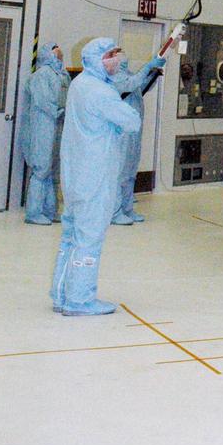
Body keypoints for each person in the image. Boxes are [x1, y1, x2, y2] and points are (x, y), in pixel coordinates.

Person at [50, 38, 140, 316]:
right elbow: (132, 122)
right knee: (89, 238)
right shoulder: (101, 92)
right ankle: (79, 300)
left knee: (71, 236)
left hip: (75, 174)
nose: (116, 59)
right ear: (97, 58)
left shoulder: (79, 84)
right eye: (111, 55)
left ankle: (61, 294)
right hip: (95, 174)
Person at [110, 52, 165, 224]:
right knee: (119, 173)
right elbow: (131, 84)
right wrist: (147, 66)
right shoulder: (114, 78)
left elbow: (140, 87)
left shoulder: (129, 75)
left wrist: (153, 74)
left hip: (134, 131)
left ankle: (127, 209)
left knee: (130, 173)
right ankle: (114, 212)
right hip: (121, 132)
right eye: (119, 55)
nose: (124, 57)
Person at [20, 43, 70, 224]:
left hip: (58, 125)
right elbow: (43, 100)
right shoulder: (41, 75)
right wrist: (58, 111)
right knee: (41, 169)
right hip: (43, 126)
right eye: (57, 53)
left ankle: (50, 211)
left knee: (53, 169)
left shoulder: (62, 75)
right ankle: (33, 213)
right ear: (48, 55)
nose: (60, 57)